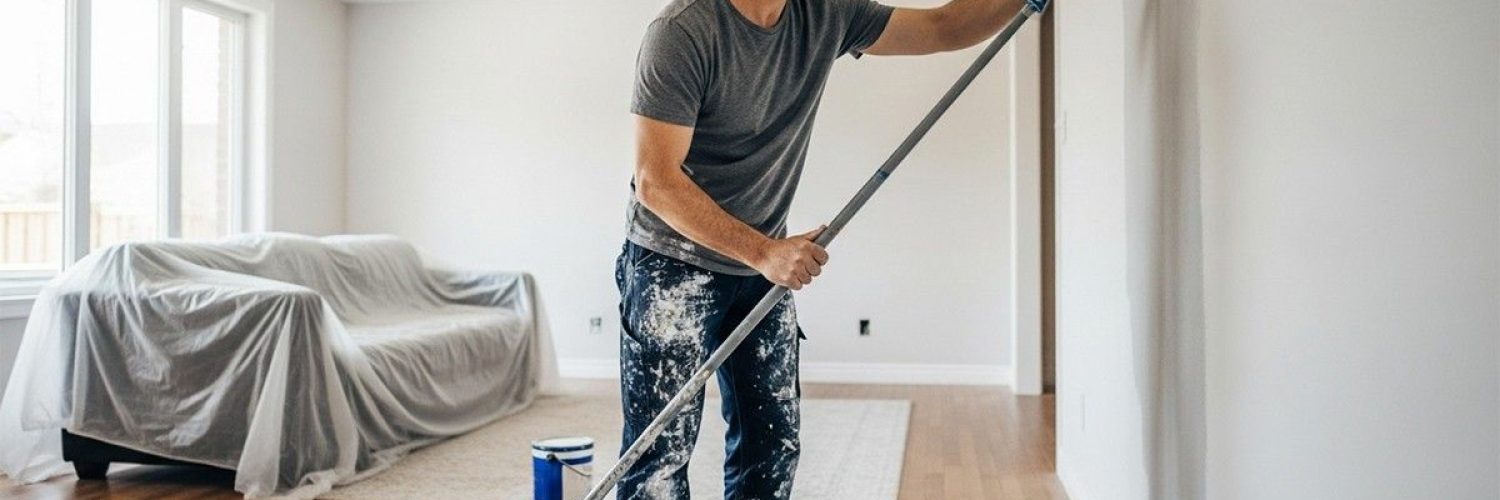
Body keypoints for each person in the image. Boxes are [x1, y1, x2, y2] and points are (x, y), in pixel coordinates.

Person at [616, 0, 1047, 497]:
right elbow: (656, 182)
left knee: (771, 445)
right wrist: (762, 252)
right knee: (659, 458)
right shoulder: (682, 32)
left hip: (762, 264)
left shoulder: (824, 12)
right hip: (674, 263)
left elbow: (942, 26)